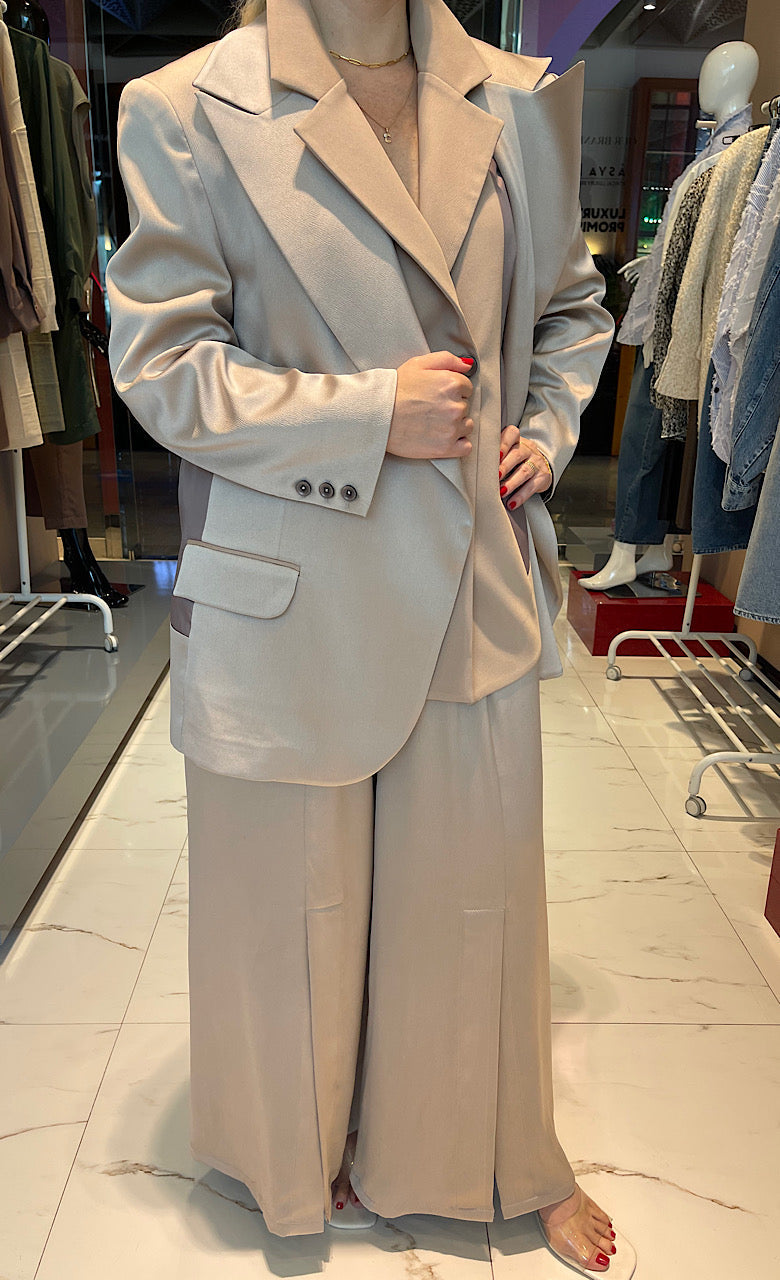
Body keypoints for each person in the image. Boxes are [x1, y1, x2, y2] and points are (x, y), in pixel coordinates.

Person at [106, 0, 627, 1272]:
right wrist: (363, 416)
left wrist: (546, 430)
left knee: (470, 891)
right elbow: (163, 363)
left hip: (469, 566)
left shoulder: (516, 97)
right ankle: (302, 1142)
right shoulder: (184, 105)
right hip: (291, 573)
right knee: (297, 901)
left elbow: (571, 307)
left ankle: (477, 1150)